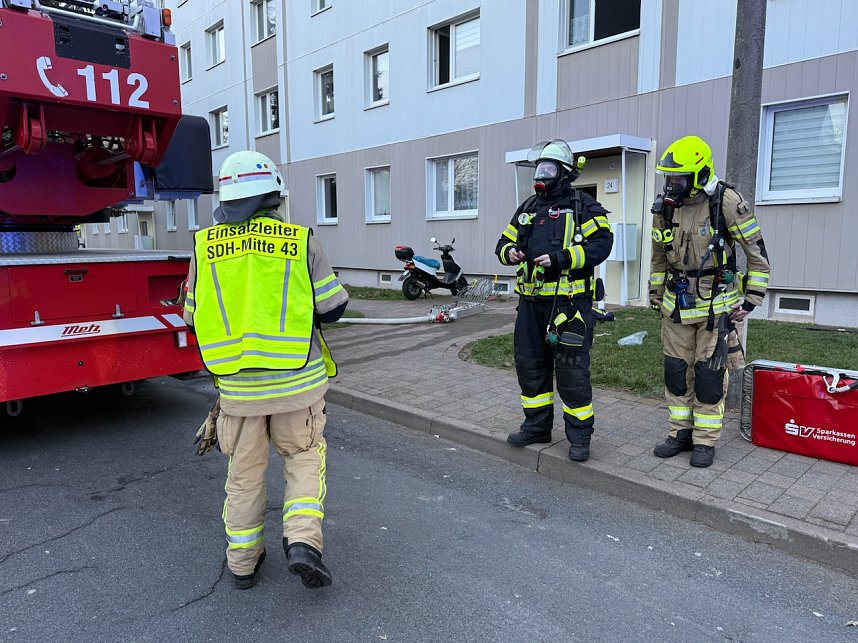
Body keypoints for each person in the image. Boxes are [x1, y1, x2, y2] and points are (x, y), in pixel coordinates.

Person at [183, 151, 348, 589]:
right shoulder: (298, 241)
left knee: (244, 475)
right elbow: (332, 308)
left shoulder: (204, 248)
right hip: (298, 386)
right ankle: (302, 543)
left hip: (238, 391)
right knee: (302, 460)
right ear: (273, 194)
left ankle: (242, 565)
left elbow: (189, 315)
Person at [648, 135, 770, 468]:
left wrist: (751, 299)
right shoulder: (665, 208)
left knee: (709, 375)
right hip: (676, 306)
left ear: (699, 175)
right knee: (676, 371)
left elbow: (757, 255)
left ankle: (705, 440)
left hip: (716, 307)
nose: (672, 185)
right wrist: (655, 293)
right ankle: (680, 433)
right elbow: (659, 257)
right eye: (669, 178)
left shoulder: (726, 202)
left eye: (679, 178)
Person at [495, 140, 613, 462]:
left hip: (570, 306)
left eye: (548, 169)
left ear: (563, 174)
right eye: (539, 169)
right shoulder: (529, 207)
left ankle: (579, 437)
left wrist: (563, 258)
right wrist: (512, 252)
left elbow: (603, 244)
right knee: (530, 366)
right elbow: (502, 244)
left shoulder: (582, 205)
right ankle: (536, 427)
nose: (542, 175)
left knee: (572, 372)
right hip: (531, 306)